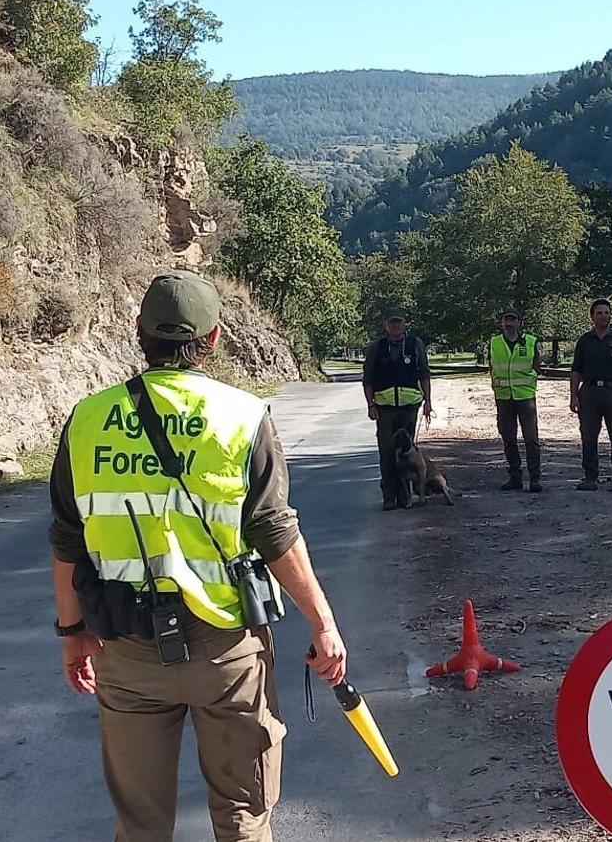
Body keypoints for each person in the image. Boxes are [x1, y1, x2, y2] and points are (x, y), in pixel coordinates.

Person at [48, 271, 348, 842]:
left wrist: (71, 631)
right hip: (226, 651)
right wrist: (323, 622)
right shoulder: (242, 416)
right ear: (213, 340)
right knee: (244, 817)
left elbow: (67, 537)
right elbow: (273, 531)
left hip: (126, 649)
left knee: (140, 826)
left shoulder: (87, 419)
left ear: (138, 333)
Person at [362, 307, 433, 510]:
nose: (395, 326)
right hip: (385, 409)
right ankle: (389, 496)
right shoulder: (377, 347)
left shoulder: (414, 345)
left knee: (408, 454)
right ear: (386, 325)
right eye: (391, 322)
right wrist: (371, 405)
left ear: (404, 324)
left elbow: (425, 374)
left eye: (398, 322)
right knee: (387, 453)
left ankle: (406, 496)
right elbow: (367, 379)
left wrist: (428, 402)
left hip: (409, 408)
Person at [569, 299, 612, 494]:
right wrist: (573, 396)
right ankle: (590, 477)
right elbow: (576, 370)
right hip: (589, 393)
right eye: (599, 313)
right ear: (592, 317)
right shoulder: (584, 341)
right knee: (588, 437)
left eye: (607, 312)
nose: (604, 316)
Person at [489, 309, 543, 492]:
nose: (509, 323)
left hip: (525, 396)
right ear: (502, 323)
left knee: (531, 439)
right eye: (506, 320)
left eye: (513, 319)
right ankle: (515, 477)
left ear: (519, 322)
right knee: (508, 438)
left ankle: (535, 478)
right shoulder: (494, 343)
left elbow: (537, 365)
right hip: (504, 397)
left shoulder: (531, 342)